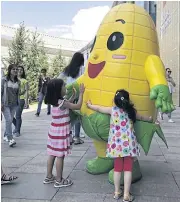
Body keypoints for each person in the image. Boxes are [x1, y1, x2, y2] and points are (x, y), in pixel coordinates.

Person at [87, 89, 152, 202]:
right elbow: (142, 118)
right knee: (128, 169)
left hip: (116, 146)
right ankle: (126, 195)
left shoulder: (113, 110)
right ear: (128, 100)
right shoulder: (131, 112)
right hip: (128, 145)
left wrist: (90, 105)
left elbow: (99, 108)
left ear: (115, 101)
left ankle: (117, 192)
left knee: (117, 169)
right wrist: (150, 119)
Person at [43, 78, 85, 188]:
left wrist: (72, 97)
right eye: (63, 86)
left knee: (52, 154)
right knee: (60, 156)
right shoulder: (63, 103)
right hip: (60, 134)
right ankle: (59, 180)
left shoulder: (56, 102)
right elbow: (78, 106)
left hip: (53, 133)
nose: (65, 87)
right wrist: (81, 94)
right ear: (58, 89)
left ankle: (49, 176)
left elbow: (66, 105)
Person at [58, 52, 85, 145]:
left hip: (69, 92)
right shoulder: (82, 69)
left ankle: (68, 136)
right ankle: (76, 137)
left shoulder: (67, 69)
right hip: (78, 92)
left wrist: (63, 87)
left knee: (68, 116)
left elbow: (58, 78)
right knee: (77, 115)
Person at [1, 64, 20, 147]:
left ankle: (5, 135)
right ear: (9, 70)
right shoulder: (4, 80)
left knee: (10, 119)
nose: (15, 70)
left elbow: (17, 93)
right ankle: (10, 139)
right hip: (5, 103)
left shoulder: (18, 81)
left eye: (16, 69)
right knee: (8, 120)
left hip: (14, 104)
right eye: (13, 69)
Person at [13, 66, 28, 137]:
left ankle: (17, 131)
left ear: (23, 72)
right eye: (18, 69)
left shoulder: (25, 81)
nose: (19, 71)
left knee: (18, 116)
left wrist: (27, 102)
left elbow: (27, 91)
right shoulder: (12, 79)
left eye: (21, 70)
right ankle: (17, 127)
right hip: (12, 99)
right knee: (10, 115)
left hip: (21, 99)